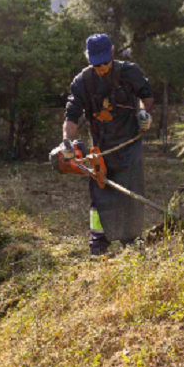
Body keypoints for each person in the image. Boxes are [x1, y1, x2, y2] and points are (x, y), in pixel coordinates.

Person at [63, 33, 154, 256]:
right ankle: (98, 245)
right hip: (101, 149)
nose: (101, 68)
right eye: (95, 64)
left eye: (104, 62)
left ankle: (132, 245)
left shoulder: (129, 72)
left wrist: (143, 112)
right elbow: (72, 116)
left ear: (112, 53)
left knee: (131, 195)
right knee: (100, 194)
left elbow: (147, 95)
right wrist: (66, 141)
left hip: (129, 146)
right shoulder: (83, 82)